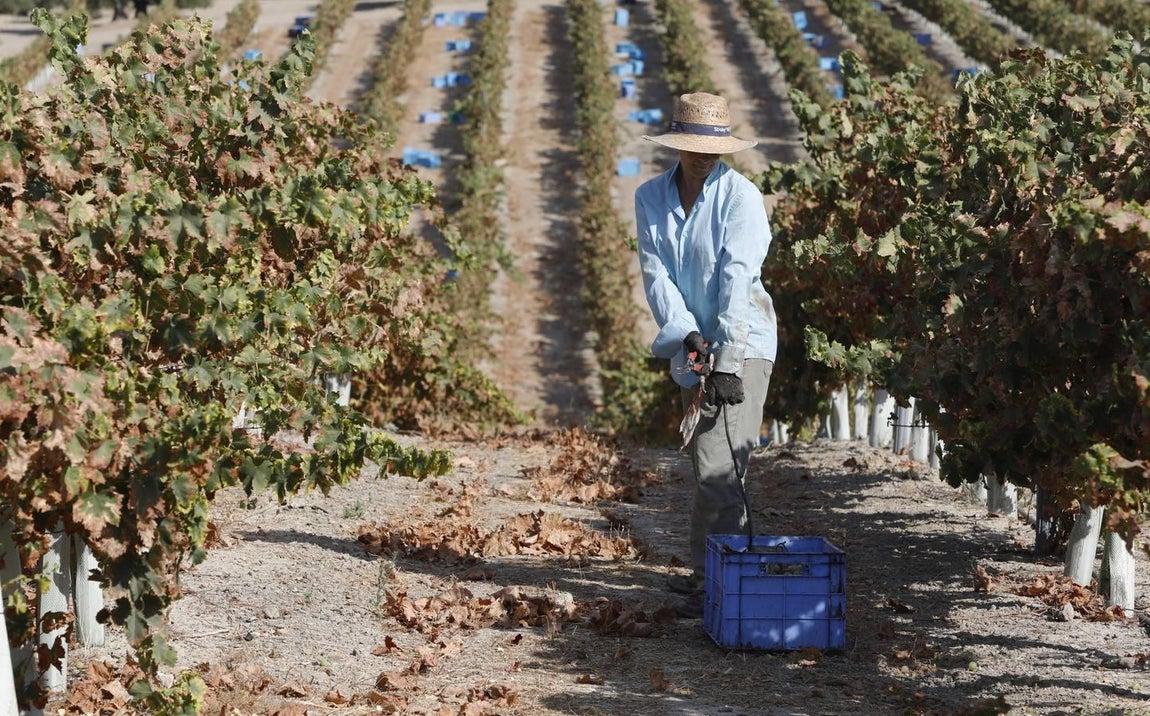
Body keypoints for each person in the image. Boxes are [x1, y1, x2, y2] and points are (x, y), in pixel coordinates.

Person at [634, 92, 777, 618]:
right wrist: (689, 335)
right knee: (707, 461)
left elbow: (739, 282)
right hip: (696, 342)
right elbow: (658, 275)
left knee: (722, 462)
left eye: (711, 148)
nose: (701, 156)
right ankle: (710, 576)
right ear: (676, 144)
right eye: (692, 146)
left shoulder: (741, 198)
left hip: (746, 342)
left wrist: (728, 362)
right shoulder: (650, 196)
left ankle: (725, 583)